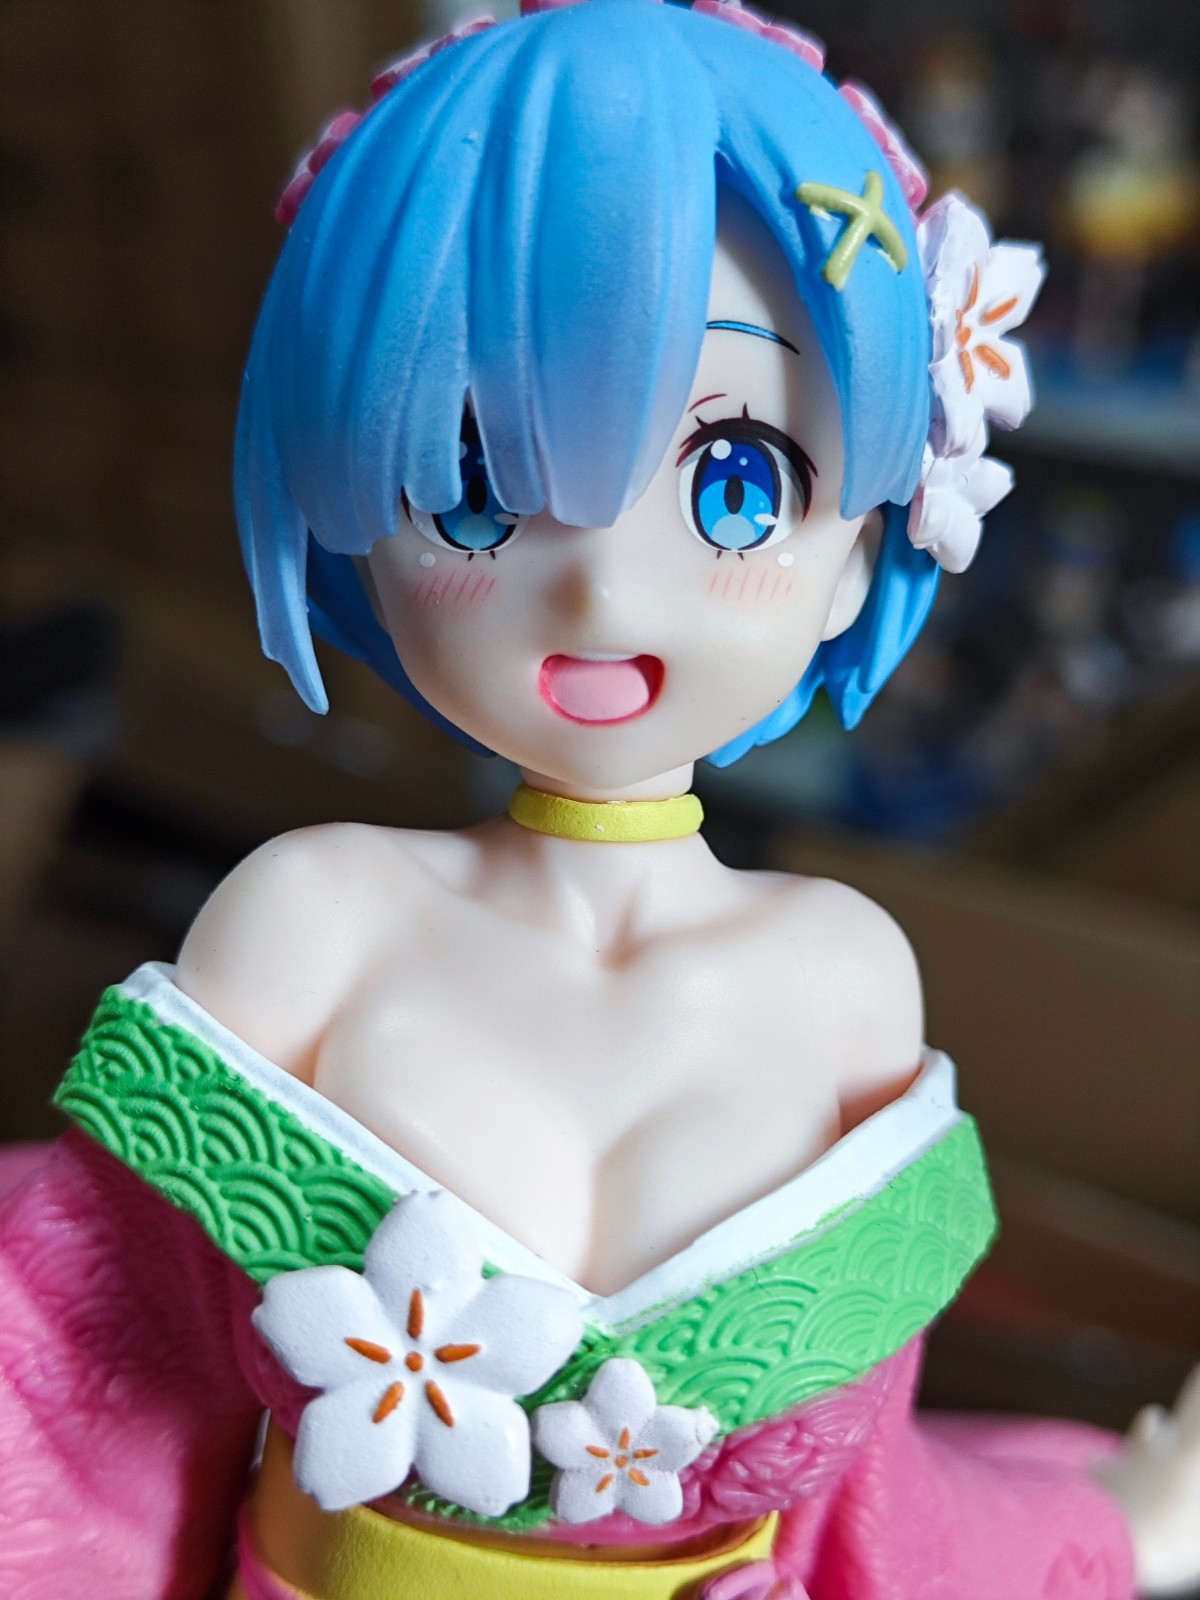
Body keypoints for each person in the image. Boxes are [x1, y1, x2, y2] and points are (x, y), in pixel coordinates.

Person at [2, 3, 1197, 1596]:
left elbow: (871, 1502)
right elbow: (80, 1382)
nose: (603, 591)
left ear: (866, 543)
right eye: (476, 484)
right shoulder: (313, 918)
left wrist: (1115, 1526)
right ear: (354, 507)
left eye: (738, 482)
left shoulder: (843, 974)